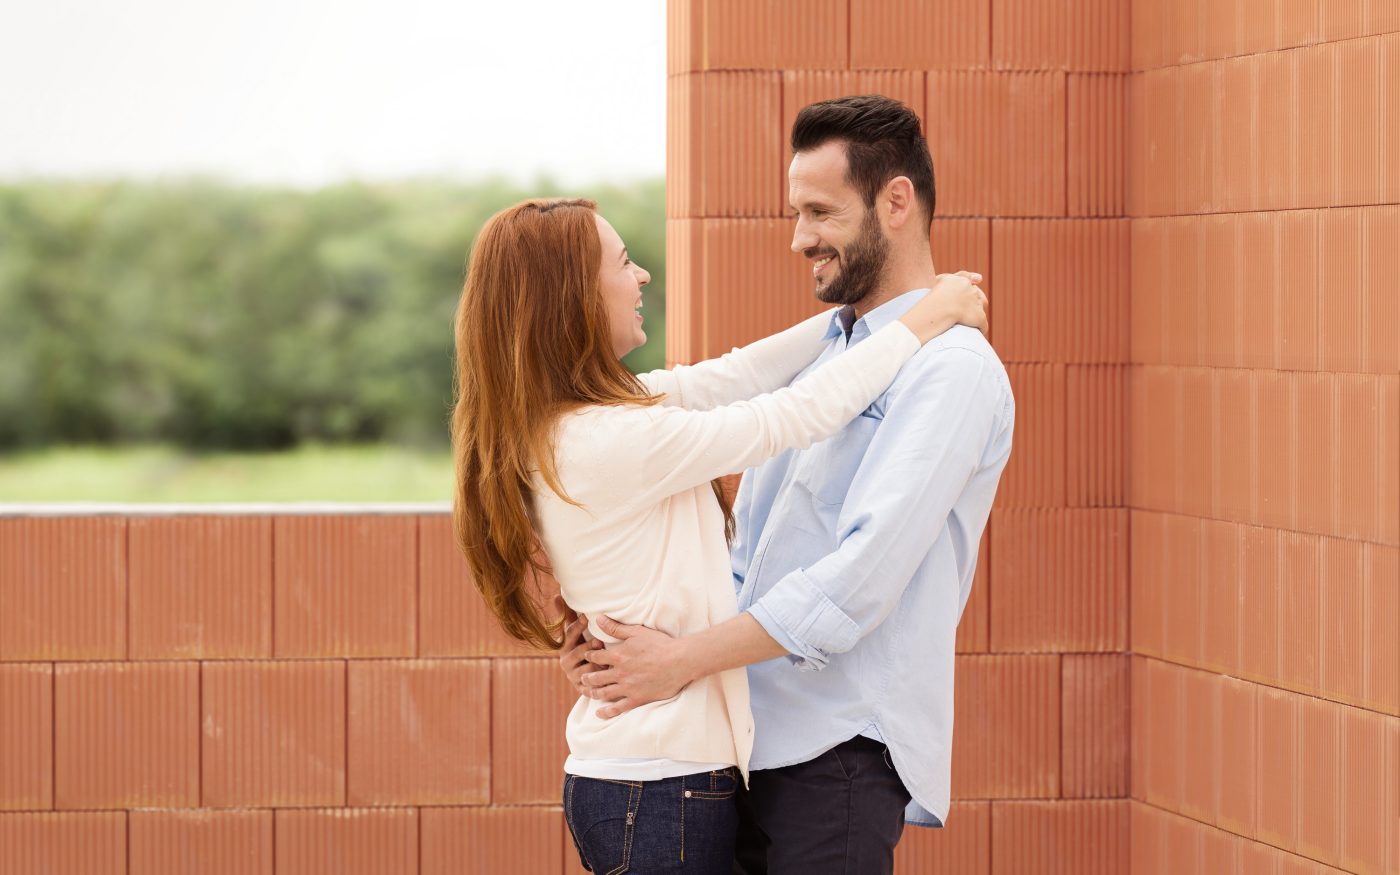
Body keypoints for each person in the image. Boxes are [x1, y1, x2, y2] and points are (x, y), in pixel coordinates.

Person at [450, 196, 988, 874]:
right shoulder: (610, 438)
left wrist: (857, 319)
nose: (642, 275)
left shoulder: (582, 421)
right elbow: (794, 414)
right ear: (573, 296)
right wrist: (924, 319)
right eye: (622, 262)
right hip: (659, 787)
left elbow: (736, 375)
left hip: (644, 781)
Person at [562, 95, 1016, 874]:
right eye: (795, 211)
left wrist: (682, 659)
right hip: (744, 739)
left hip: (834, 752)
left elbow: (858, 582)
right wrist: (619, 640)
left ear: (895, 201)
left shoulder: (954, 369)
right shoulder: (828, 355)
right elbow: (744, 550)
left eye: (819, 211)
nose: (799, 237)